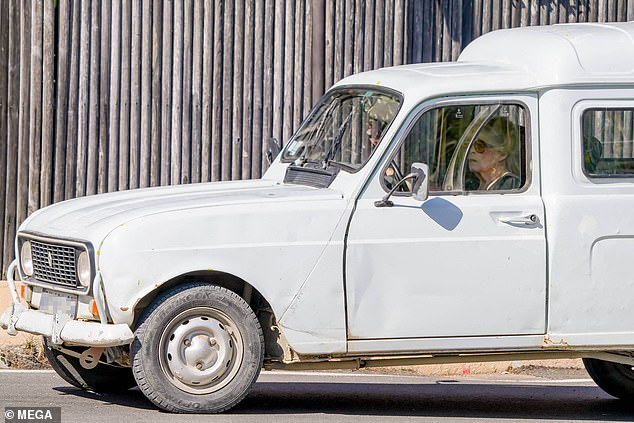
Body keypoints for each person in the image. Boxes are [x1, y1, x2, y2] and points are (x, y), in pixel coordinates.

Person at [467, 117, 521, 191]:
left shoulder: (510, 186)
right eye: (469, 144)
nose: (471, 150)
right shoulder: (471, 183)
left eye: (479, 146)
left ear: (502, 154)